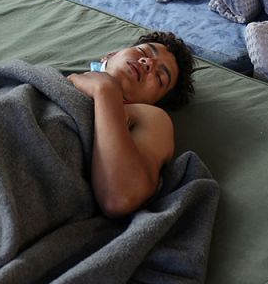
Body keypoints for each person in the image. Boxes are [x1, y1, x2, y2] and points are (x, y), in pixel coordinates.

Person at [66, 31, 195, 216]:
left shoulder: (150, 116)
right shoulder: (60, 77)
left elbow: (121, 196)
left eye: (160, 78)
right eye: (143, 52)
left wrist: (106, 90)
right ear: (110, 55)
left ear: (152, 102)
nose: (148, 63)